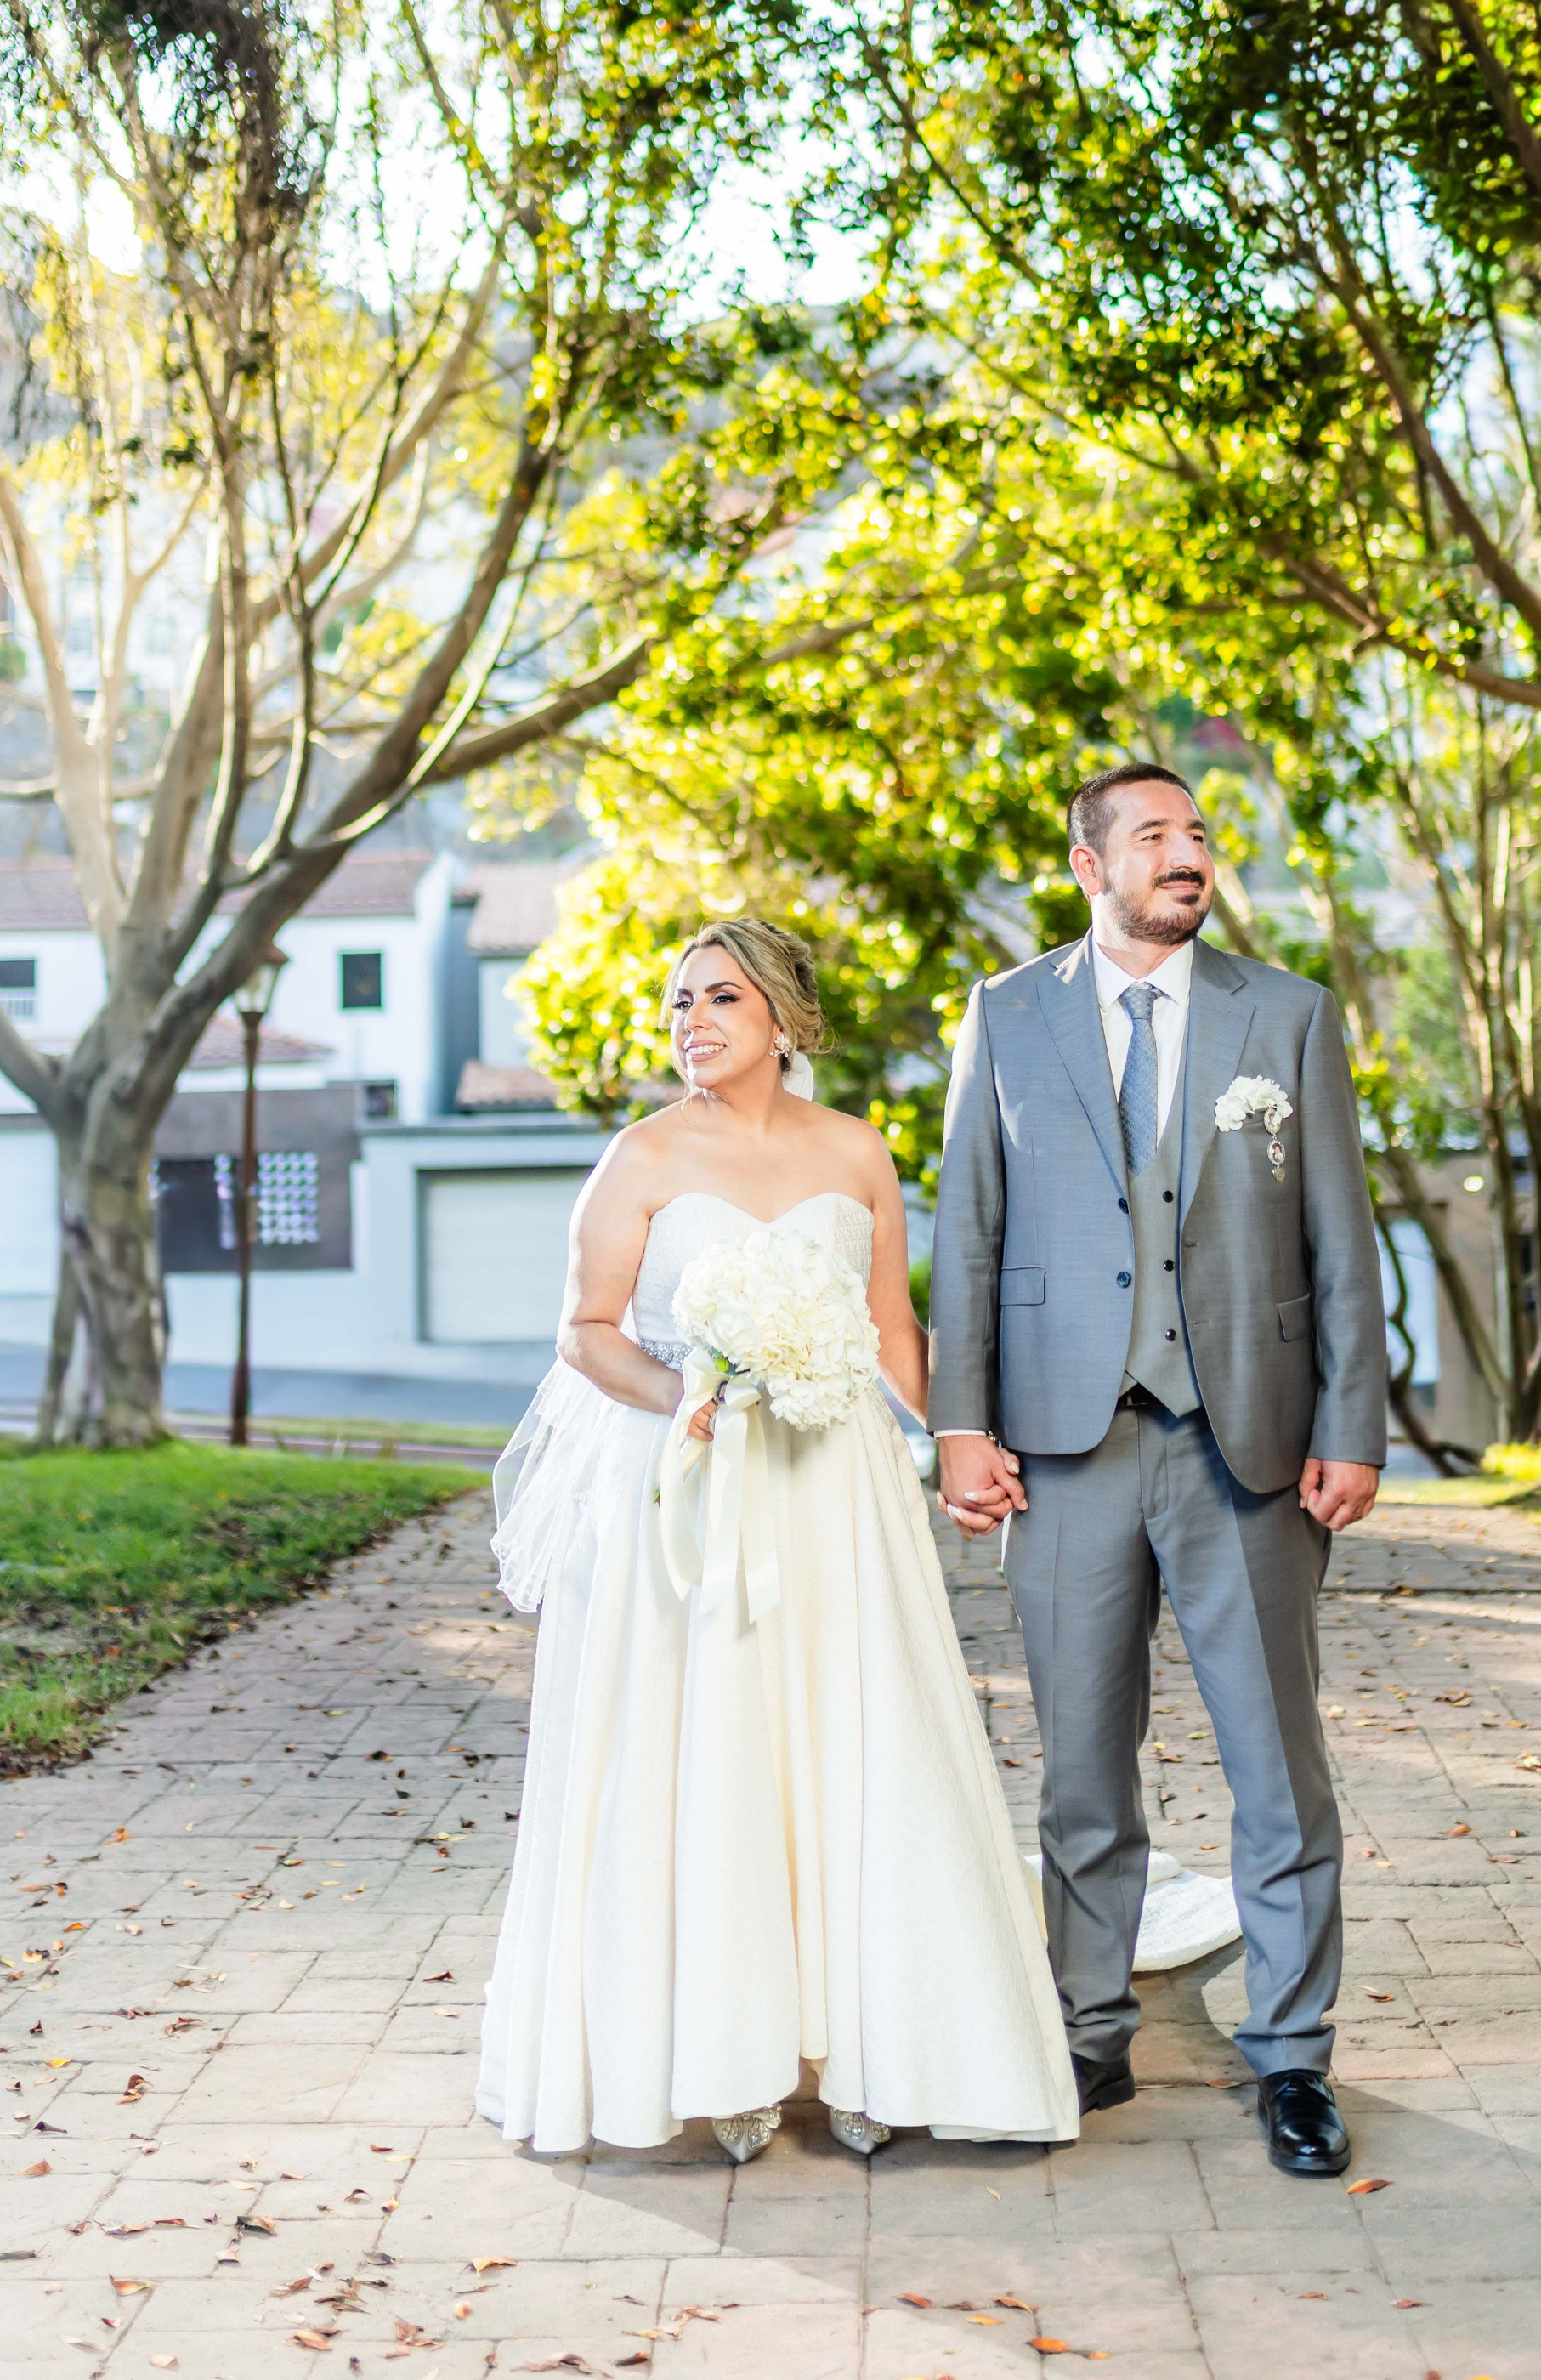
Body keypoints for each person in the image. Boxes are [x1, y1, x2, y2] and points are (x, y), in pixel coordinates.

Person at [476, 915, 1079, 2161]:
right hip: (691, 1496)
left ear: (785, 1020)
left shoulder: (858, 1154)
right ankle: (729, 2056)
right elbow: (586, 1329)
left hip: (835, 1490)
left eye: (721, 998)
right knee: (714, 1754)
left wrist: (960, 1435)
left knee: (856, 1743)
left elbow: (891, 1327)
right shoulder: (638, 1158)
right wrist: (686, 1392)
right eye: (680, 1001)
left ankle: (866, 2046)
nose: (691, 1019)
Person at [929, 765, 1387, 2177]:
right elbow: (970, 1229)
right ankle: (1087, 2030)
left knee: (1277, 1765)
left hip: (1244, 1439)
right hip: (1064, 1449)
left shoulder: (1288, 1015)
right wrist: (959, 1422)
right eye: (1155, 837)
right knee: (1080, 1769)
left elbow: (1340, 1235)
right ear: (1089, 862)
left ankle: (1295, 2058)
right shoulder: (1007, 1017)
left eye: (1197, 835)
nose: (1187, 855)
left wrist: (1352, 1421)